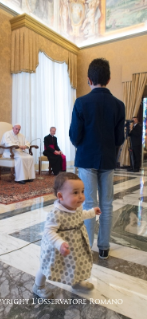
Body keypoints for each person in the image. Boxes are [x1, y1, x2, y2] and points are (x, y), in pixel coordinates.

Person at [69, 58, 125, 260]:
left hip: (86, 159)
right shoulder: (119, 105)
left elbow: (74, 136)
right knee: (107, 204)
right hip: (108, 160)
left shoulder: (81, 102)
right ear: (108, 79)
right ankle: (104, 248)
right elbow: (120, 138)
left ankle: (86, 248)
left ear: (88, 80)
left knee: (89, 204)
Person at [32, 172, 101, 298]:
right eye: (75, 192)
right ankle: (38, 286)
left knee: (77, 263)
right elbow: (49, 232)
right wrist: (60, 244)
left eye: (82, 191)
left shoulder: (76, 207)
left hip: (75, 245)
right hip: (57, 249)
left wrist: (92, 212)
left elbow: (80, 215)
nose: (81, 196)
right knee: (46, 266)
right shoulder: (56, 214)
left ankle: (76, 282)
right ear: (60, 196)